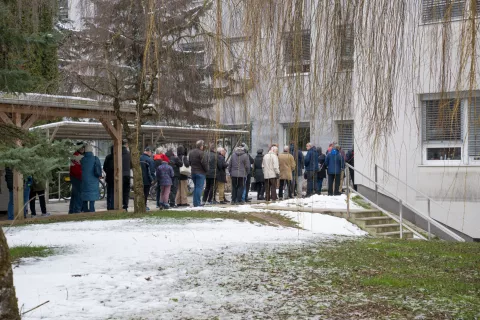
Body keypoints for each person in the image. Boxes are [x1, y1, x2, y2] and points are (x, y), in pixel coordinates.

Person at [81, 145, 102, 213]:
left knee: (85, 196)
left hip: (84, 181)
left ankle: (85, 210)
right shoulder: (95, 159)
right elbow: (99, 169)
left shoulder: (82, 160)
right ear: (91, 151)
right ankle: (92, 210)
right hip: (93, 180)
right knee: (92, 196)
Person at [189, 140, 208, 207]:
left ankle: (195, 203)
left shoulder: (191, 152)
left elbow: (190, 162)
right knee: (199, 188)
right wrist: (207, 170)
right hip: (200, 173)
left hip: (193, 172)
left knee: (196, 187)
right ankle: (197, 203)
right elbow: (204, 163)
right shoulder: (201, 153)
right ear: (201, 146)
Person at [69, 142, 86, 214]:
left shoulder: (75, 155)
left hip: (75, 177)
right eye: (81, 147)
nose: (82, 149)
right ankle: (77, 210)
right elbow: (77, 169)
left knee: (74, 195)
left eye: (83, 147)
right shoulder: (78, 156)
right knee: (78, 195)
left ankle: (72, 211)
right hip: (77, 177)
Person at [103, 146, 115, 210]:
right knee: (114, 192)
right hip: (115, 177)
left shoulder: (108, 157)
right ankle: (113, 206)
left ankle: (109, 206)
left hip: (109, 177)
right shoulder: (118, 157)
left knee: (109, 192)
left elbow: (104, 167)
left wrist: (108, 172)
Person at [122, 140, 132, 211]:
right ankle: (125, 205)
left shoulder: (116, 153)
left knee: (118, 190)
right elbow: (132, 165)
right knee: (126, 191)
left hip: (118, 175)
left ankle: (118, 205)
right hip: (127, 174)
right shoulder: (129, 154)